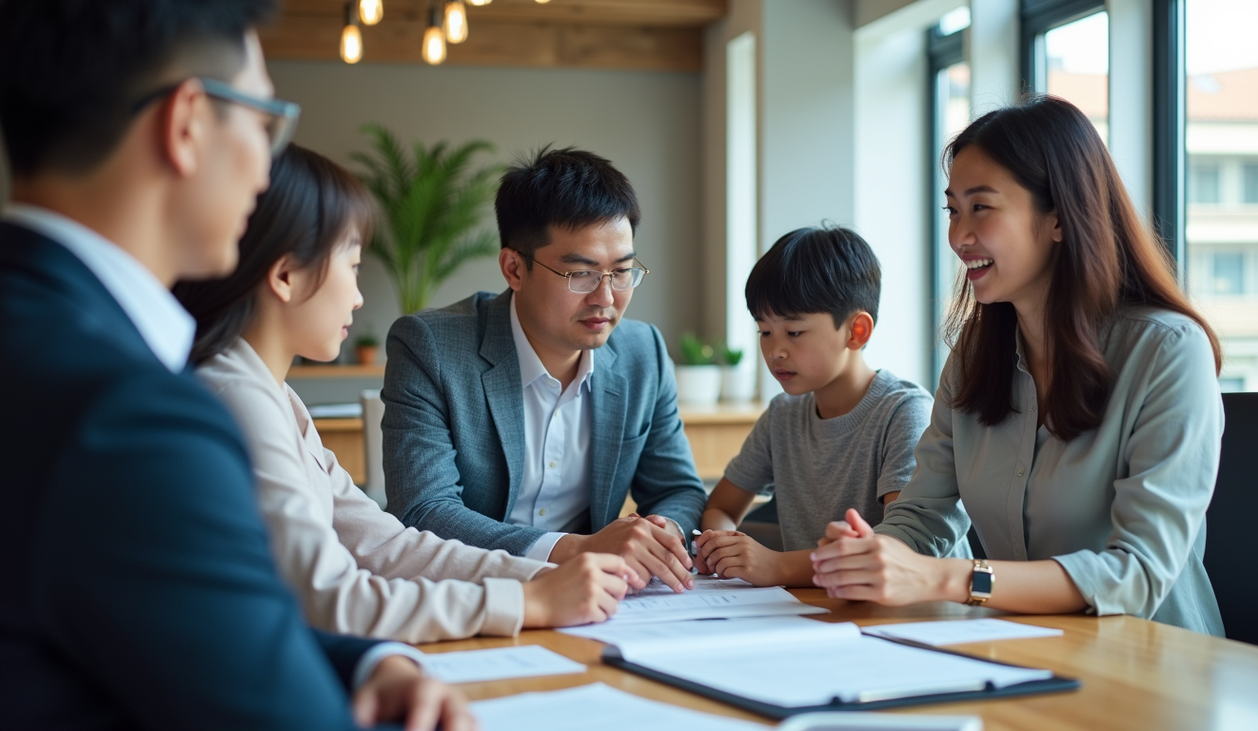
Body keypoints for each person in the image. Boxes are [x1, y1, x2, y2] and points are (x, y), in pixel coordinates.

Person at [0, 2, 472, 729]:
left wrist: (366, 661)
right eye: (263, 122)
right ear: (187, 124)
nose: (265, 168)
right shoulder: (132, 416)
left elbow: (153, 618)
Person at [176, 143, 634, 643]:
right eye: (351, 267)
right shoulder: (235, 396)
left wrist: (546, 579)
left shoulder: (275, 397)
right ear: (286, 275)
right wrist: (529, 599)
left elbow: (387, 546)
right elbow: (328, 596)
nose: (358, 296)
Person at [811, 96, 1226, 635]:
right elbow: (925, 513)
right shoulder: (973, 358)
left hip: (1155, 669)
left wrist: (946, 580)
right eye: (952, 210)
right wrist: (873, 555)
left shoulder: (1168, 351)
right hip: (1021, 651)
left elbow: (1136, 577)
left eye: (981, 207)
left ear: (1057, 217)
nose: (959, 236)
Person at [383, 146, 706, 593]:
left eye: (622, 271)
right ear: (514, 268)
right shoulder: (431, 347)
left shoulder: (642, 352)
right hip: (476, 593)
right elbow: (424, 511)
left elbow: (680, 490)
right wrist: (577, 549)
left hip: (602, 603)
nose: (606, 299)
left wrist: (661, 534)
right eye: (581, 275)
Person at [693, 226, 941, 586]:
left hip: (917, 614)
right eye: (764, 331)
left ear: (856, 331)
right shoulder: (783, 415)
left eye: (793, 332)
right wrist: (723, 544)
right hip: (823, 606)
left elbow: (898, 551)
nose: (775, 350)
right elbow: (720, 507)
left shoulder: (903, 412)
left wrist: (776, 565)